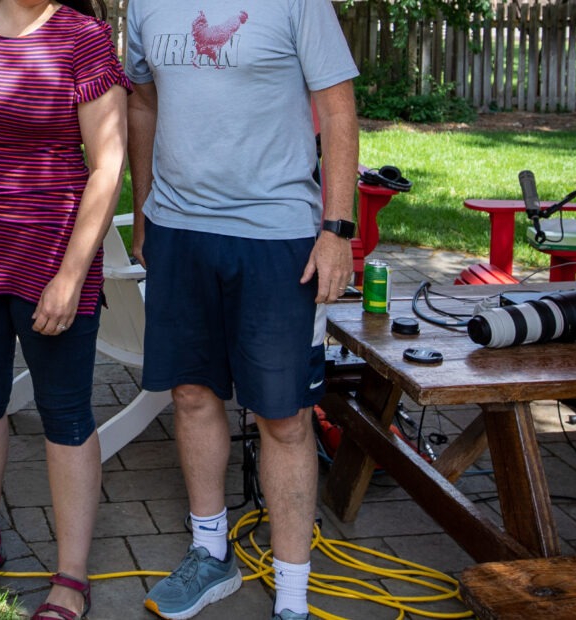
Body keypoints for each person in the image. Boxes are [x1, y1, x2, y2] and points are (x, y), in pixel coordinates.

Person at [125, 1, 359, 619]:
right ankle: (211, 554)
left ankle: (292, 595)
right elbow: (142, 103)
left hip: (277, 235)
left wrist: (337, 229)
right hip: (179, 228)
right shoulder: (144, 4)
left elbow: (337, 108)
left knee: (284, 417)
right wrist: (143, 205)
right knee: (192, 395)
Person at [0, 1, 129, 618]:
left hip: (51, 257)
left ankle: (70, 578)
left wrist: (70, 275)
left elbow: (108, 163)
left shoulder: (83, 37)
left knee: (64, 412)